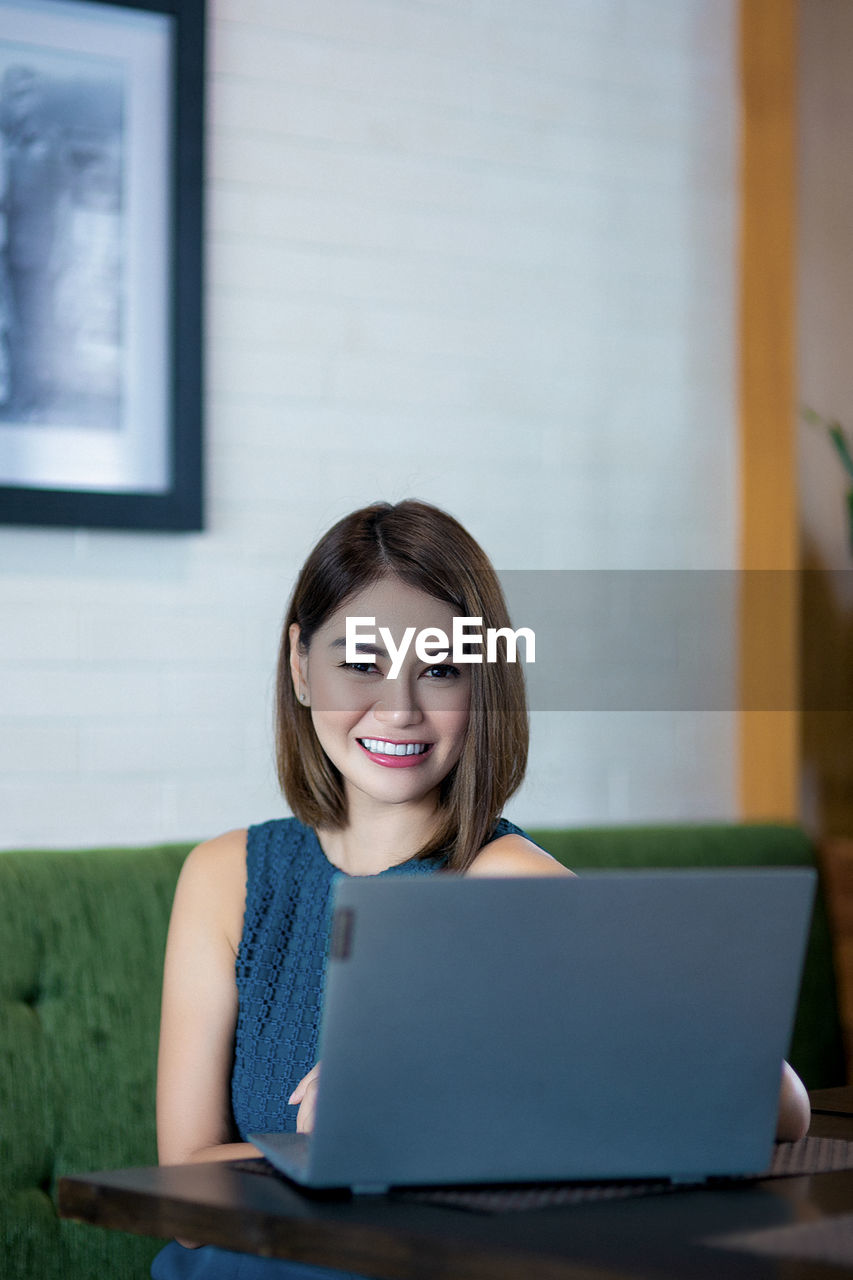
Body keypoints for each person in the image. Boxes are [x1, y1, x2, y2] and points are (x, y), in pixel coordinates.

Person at [151, 499, 811, 1280]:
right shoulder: (229, 878)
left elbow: (779, 1107)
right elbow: (187, 1186)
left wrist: (441, 1099)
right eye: (360, 662)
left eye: (440, 668)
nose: (398, 708)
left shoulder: (510, 883)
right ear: (300, 666)